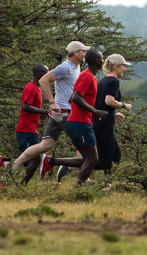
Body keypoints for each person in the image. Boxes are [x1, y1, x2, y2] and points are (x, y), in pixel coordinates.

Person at [10, 41, 90, 185]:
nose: (85, 54)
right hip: (65, 113)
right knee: (84, 145)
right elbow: (43, 80)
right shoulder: (66, 67)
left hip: (59, 113)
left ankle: (13, 166)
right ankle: (82, 178)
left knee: (45, 145)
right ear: (76, 52)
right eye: (83, 51)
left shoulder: (75, 68)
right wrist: (52, 102)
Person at [40, 49, 107, 185]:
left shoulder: (88, 76)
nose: (103, 60)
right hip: (80, 122)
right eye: (101, 58)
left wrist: (93, 113)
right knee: (92, 159)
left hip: (79, 121)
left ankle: (51, 161)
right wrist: (94, 110)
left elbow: (71, 98)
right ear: (96, 61)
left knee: (86, 158)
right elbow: (76, 98)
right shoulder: (87, 76)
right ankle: (78, 189)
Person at [0, 64, 49, 173]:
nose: (48, 76)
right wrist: (42, 111)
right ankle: (7, 165)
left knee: (30, 159)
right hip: (26, 129)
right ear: (39, 74)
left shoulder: (38, 89)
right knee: (34, 159)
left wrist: (42, 111)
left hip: (30, 128)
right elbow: (25, 106)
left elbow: (32, 106)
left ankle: (5, 163)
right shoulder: (31, 88)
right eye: (46, 73)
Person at [93, 54, 132, 182]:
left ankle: (107, 183)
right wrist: (124, 105)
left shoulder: (102, 81)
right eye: (123, 66)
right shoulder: (113, 81)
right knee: (106, 159)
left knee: (116, 155)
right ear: (115, 66)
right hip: (105, 126)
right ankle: (71, 167)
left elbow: (100, 105)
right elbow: (109, 101)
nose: (124, 69)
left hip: (100, 124)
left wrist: (114, 114)